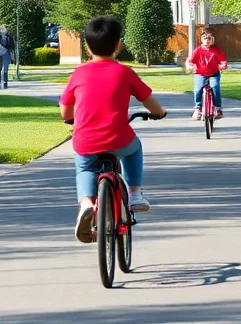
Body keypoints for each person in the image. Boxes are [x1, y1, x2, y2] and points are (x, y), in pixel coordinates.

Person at [59, 15, 167, 243]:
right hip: (118, 138)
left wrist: (70, 119)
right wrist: (159, 112)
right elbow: (148, 100)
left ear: (87, 46)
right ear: (118, 45)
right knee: (134, 148)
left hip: (85, 140)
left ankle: (86, 204)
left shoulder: (78, 73)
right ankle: (135, 194)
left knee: (86, 168)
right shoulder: (124, 72)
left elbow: (65, 109)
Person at [185, 29, 228, 120]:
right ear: (201, 40)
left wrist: (223, 65)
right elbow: (190, 61)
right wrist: (189, 66)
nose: (207, 40)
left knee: (215, 86)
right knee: (198, 89)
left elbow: (223, 61)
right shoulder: (198, 50)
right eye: (205, 38)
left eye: (209, 38)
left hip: (214, 73)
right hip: (200, 74)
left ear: (212, 40)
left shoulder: (216, 50)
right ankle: (198, 109)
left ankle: (217, 108)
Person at [0, 24, 15, 89]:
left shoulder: (10, 37)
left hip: (7, 55)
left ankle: (5, 83)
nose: (5, 30)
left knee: (5, 70)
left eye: (6, 29)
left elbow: (12, 48)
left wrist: (12, 57)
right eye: (3, 29)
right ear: (1, 30)